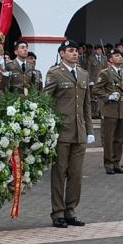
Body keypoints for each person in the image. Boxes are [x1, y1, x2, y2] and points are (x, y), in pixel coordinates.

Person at [44, 39, 95, 228]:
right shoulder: (55, 73)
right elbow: (45, 100)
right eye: (70, 50)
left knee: (76, 174)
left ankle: (70, 210)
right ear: (62, 53)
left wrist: (89, 129)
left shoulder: (83, 73)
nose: (75, 53)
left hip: (79, 131)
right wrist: (49, 127)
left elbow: (86, 104)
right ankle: (57, 212)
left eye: (76, 51)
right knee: (59, 173)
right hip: (62, 131)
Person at [93, 49, 123, 174]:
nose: (120, 57)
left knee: (120, 138)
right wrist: (108, 96)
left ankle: (116, 162)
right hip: (110, 109)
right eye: (116, 55)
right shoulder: (105, 73)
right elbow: (96, 90)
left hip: (122, 109)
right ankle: (108, 163)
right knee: (109, 138)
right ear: (110, 59)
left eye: (121, 56)